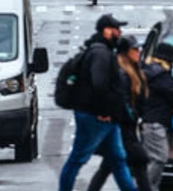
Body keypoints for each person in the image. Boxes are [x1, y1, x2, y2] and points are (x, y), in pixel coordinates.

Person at [58, 14, 137, 191]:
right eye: (117, 29)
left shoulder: (101, 50)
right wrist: (104, 111)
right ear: (107, 31)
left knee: (118, 159)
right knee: (78, 158)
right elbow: (99, 84)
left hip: (106, 116)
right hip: (96, 116)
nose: (120, 33)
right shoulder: (101, 53)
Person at [88, 35, 150, 191]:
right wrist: (132, 115)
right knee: (139, 162)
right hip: (122, 128)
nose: (139, 52)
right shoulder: (122, 74)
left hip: (123, 128)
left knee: (108, 167)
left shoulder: (133, 71)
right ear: (126, 52)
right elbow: (121, 101)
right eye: (135, 49)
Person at [141, 42, 173, 191]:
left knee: (153, 157)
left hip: (150, 121)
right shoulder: (160, 75)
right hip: (156, 122)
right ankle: (146, 187)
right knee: (160, 157)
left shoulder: (149, 71)